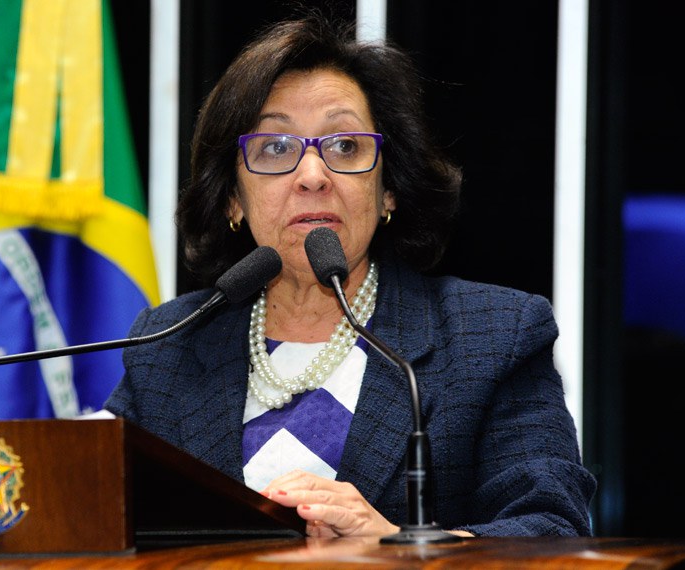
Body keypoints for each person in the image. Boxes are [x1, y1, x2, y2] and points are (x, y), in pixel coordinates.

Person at [104, 11, 596, 538]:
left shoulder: (494, 335)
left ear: (388, 190)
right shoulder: (167, 346)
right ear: (232, 199)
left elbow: (554, 528)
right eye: (275, 147)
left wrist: (400, 551)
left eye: (344, 145)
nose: (313, 175)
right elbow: (96, 518)